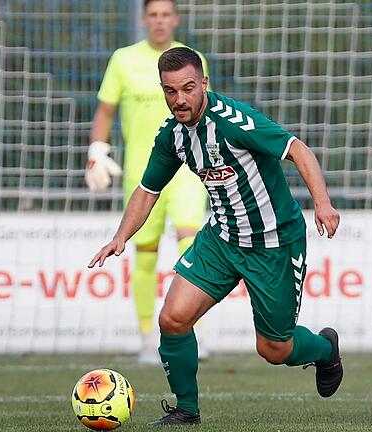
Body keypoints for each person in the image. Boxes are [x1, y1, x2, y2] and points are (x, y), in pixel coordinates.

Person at [88, 47, 344, 425]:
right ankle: (186, 411)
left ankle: (325, 349)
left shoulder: (233, 121)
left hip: (274, 242)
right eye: (170, 91)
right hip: (222, 239)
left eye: (188, 88)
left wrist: (323, 204)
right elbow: (147, 190)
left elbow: (297, 150)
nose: (180, 99)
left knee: (274, 348)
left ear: (203, 84)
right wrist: (120, 236)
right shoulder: (173, 136)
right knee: (173, 319)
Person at [85, 0, 210, 364]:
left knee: (192, 244)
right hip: (145, 175)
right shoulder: (123, 59)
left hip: (189, 170)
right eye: (153, 15)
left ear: (176, 19)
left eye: (165, 14)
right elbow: (105, 111)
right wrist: (97, 151)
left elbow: (206, 110)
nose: (159, 21)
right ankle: (145, 338)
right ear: (144, 20)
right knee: (143, 255)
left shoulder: (192, 58)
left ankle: (191, 330)